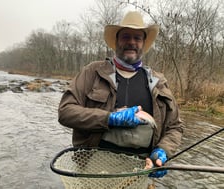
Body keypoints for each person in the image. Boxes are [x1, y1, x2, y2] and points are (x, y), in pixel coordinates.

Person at [58, 11, 183, 180]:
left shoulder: (158, 81)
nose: (131, 42)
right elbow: (65, 112)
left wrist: (163, 151)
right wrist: (109, 118)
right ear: (116, 41)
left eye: (137, 38)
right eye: (125, 36)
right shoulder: (93, 72)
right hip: (95, 168)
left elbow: (174, 127)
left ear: (143, 43)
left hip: (140, 171)